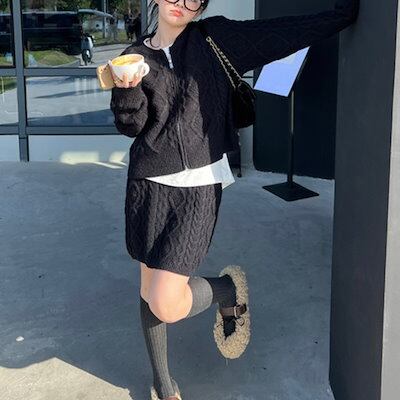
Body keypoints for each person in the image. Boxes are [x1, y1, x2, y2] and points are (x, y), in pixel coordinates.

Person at [109, 0, 360, 399]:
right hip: (147, 185)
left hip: (200, 186)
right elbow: (133, 126)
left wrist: (341, 14)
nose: (181, 3)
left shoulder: (215, 38)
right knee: (149, 287)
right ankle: (164, 381)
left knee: (167, 302)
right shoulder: (134, 56)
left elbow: (281, 35)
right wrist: (126, 91)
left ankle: (227, 289)